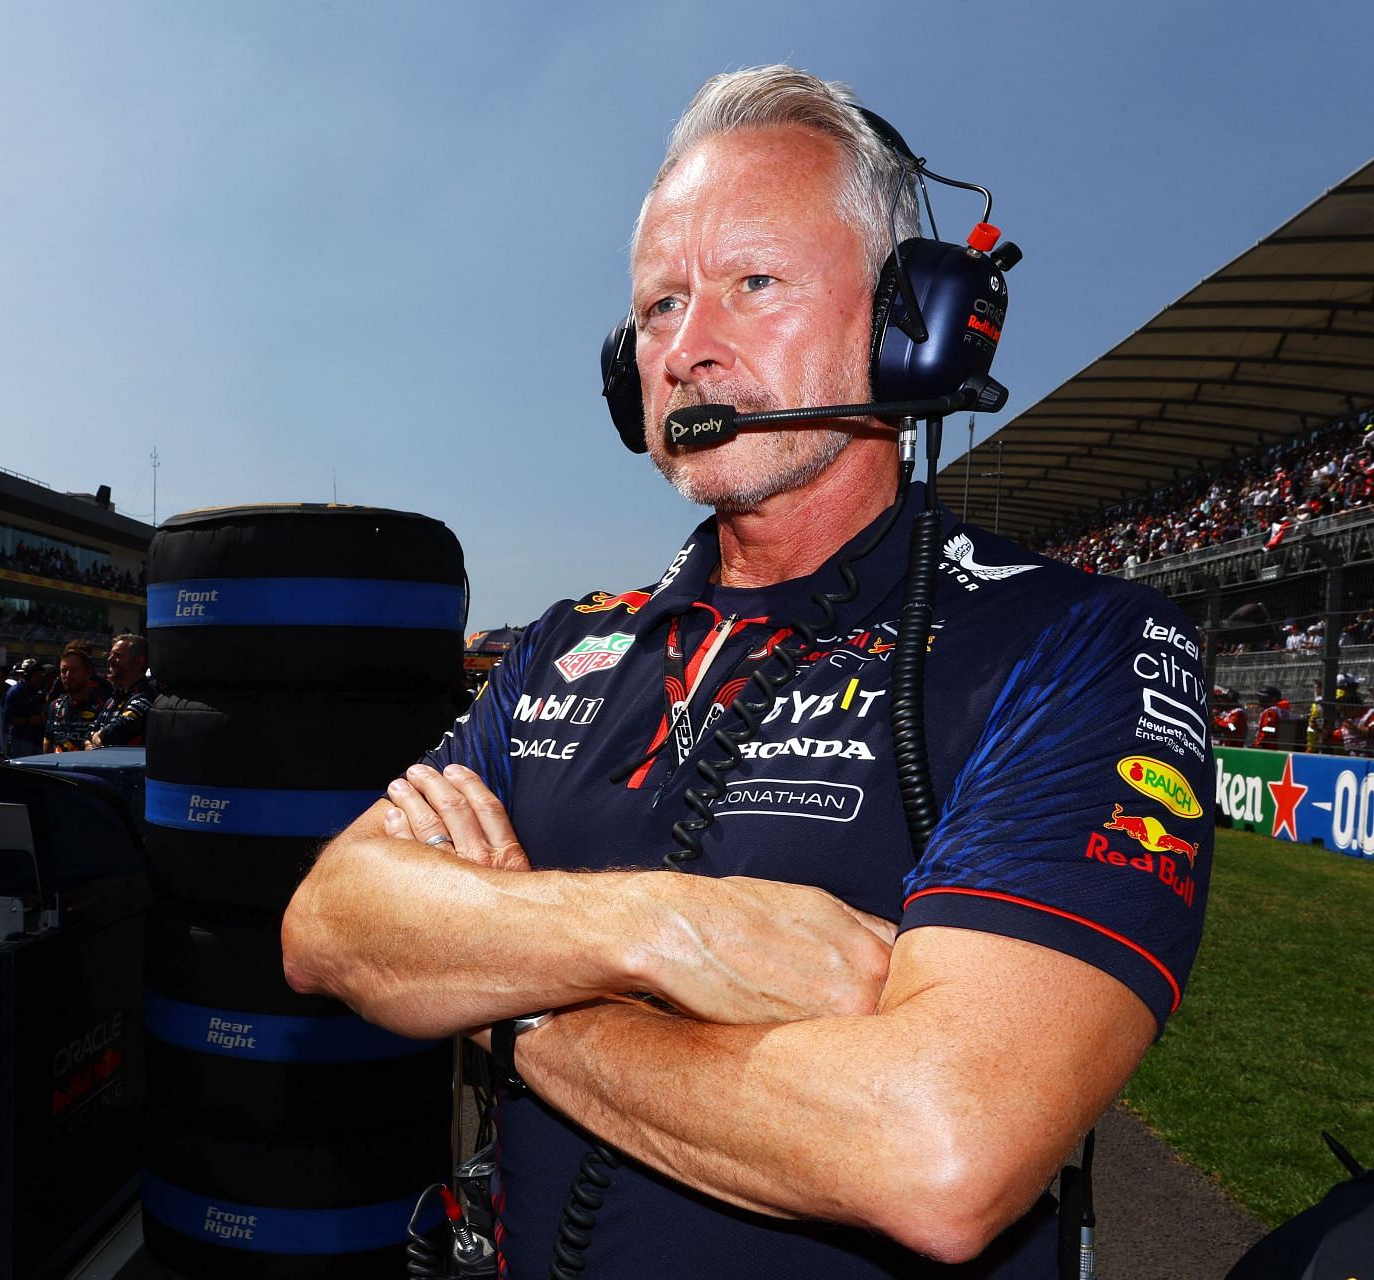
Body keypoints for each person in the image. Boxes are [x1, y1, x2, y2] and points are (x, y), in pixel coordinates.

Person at [282, 66, 1215, 1277]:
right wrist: (666, 926)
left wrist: (507, 991)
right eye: (660, 307)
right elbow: (331, 921)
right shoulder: (566, 644)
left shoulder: (1076, 645)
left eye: (752, 284)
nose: (688, 347)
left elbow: (939, 1148)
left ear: (911, 325)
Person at [87, 634, 154, 749]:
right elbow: (90, 730)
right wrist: (91, 740)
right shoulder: (113, 699)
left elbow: (120, 729)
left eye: (117, 655)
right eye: (111, 654)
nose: (110, 659)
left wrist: (100, 737)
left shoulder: (146, 695)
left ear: (139, 662)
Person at [43, 645, 105, 752]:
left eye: (74, 670)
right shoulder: (55, 706)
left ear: (88, 672)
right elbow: (48, 742)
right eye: (64, 670)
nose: (68, 675)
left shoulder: (104, 705)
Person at [2, 658, 49, 758]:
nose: (39, 680)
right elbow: (7, 718)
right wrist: (28, 720)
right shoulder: (15, 692)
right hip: (21, 740)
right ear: (27, 676)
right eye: (36, 677)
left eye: (41, 677)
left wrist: (43, 716)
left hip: (37, 739)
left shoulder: (39, 691)